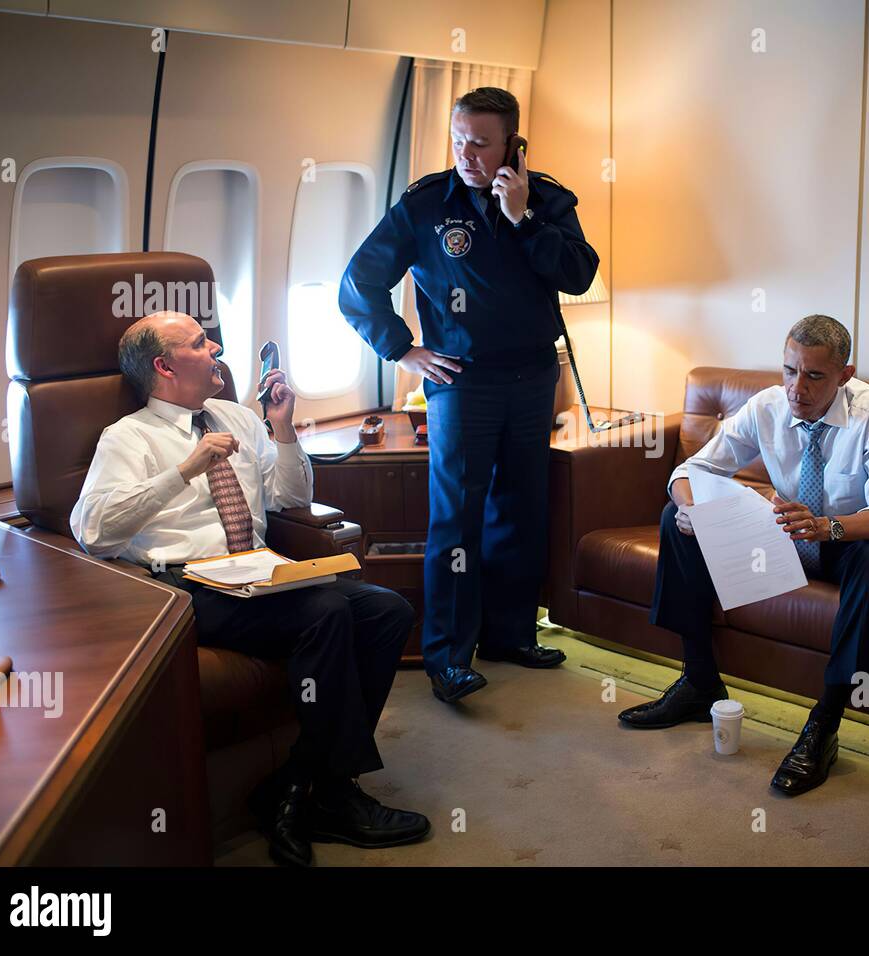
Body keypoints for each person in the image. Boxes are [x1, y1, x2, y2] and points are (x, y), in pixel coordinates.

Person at [70, 311, 429, 866]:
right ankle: (333, 796)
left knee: (386, 611)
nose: (216, 347)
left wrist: (282, 427)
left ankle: (293, 783)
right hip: (188, 586)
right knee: (326, 610)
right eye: (199, 343)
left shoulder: (238, 415)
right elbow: (93, 530)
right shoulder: (128, 436)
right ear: (164, 366)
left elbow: (289, 498)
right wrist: (185, 469)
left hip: (259, 572)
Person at [339, 86, 600, 704]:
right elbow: (359, 282)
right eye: (459, 140)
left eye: (481, 143)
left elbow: (579, 274)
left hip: (534, 377)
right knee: (455, 520)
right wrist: (402, 349)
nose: (468, 154)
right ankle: (449, 658)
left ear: (513, 143)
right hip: (461, 382)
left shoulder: (548, 200)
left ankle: (510, 635)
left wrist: (523, 217)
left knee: (519, 509)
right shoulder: (428, 203)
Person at [618, 314, 869, 797]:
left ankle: (825, 722)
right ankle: (698, 682)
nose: (797, 388)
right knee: (676, 523)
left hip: (850, 540)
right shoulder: (767, 406)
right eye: (789, 371)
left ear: (844, 375)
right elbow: (690, 470)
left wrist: (828, 527)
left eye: (814, 376)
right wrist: (693, 510)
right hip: (788, 534)